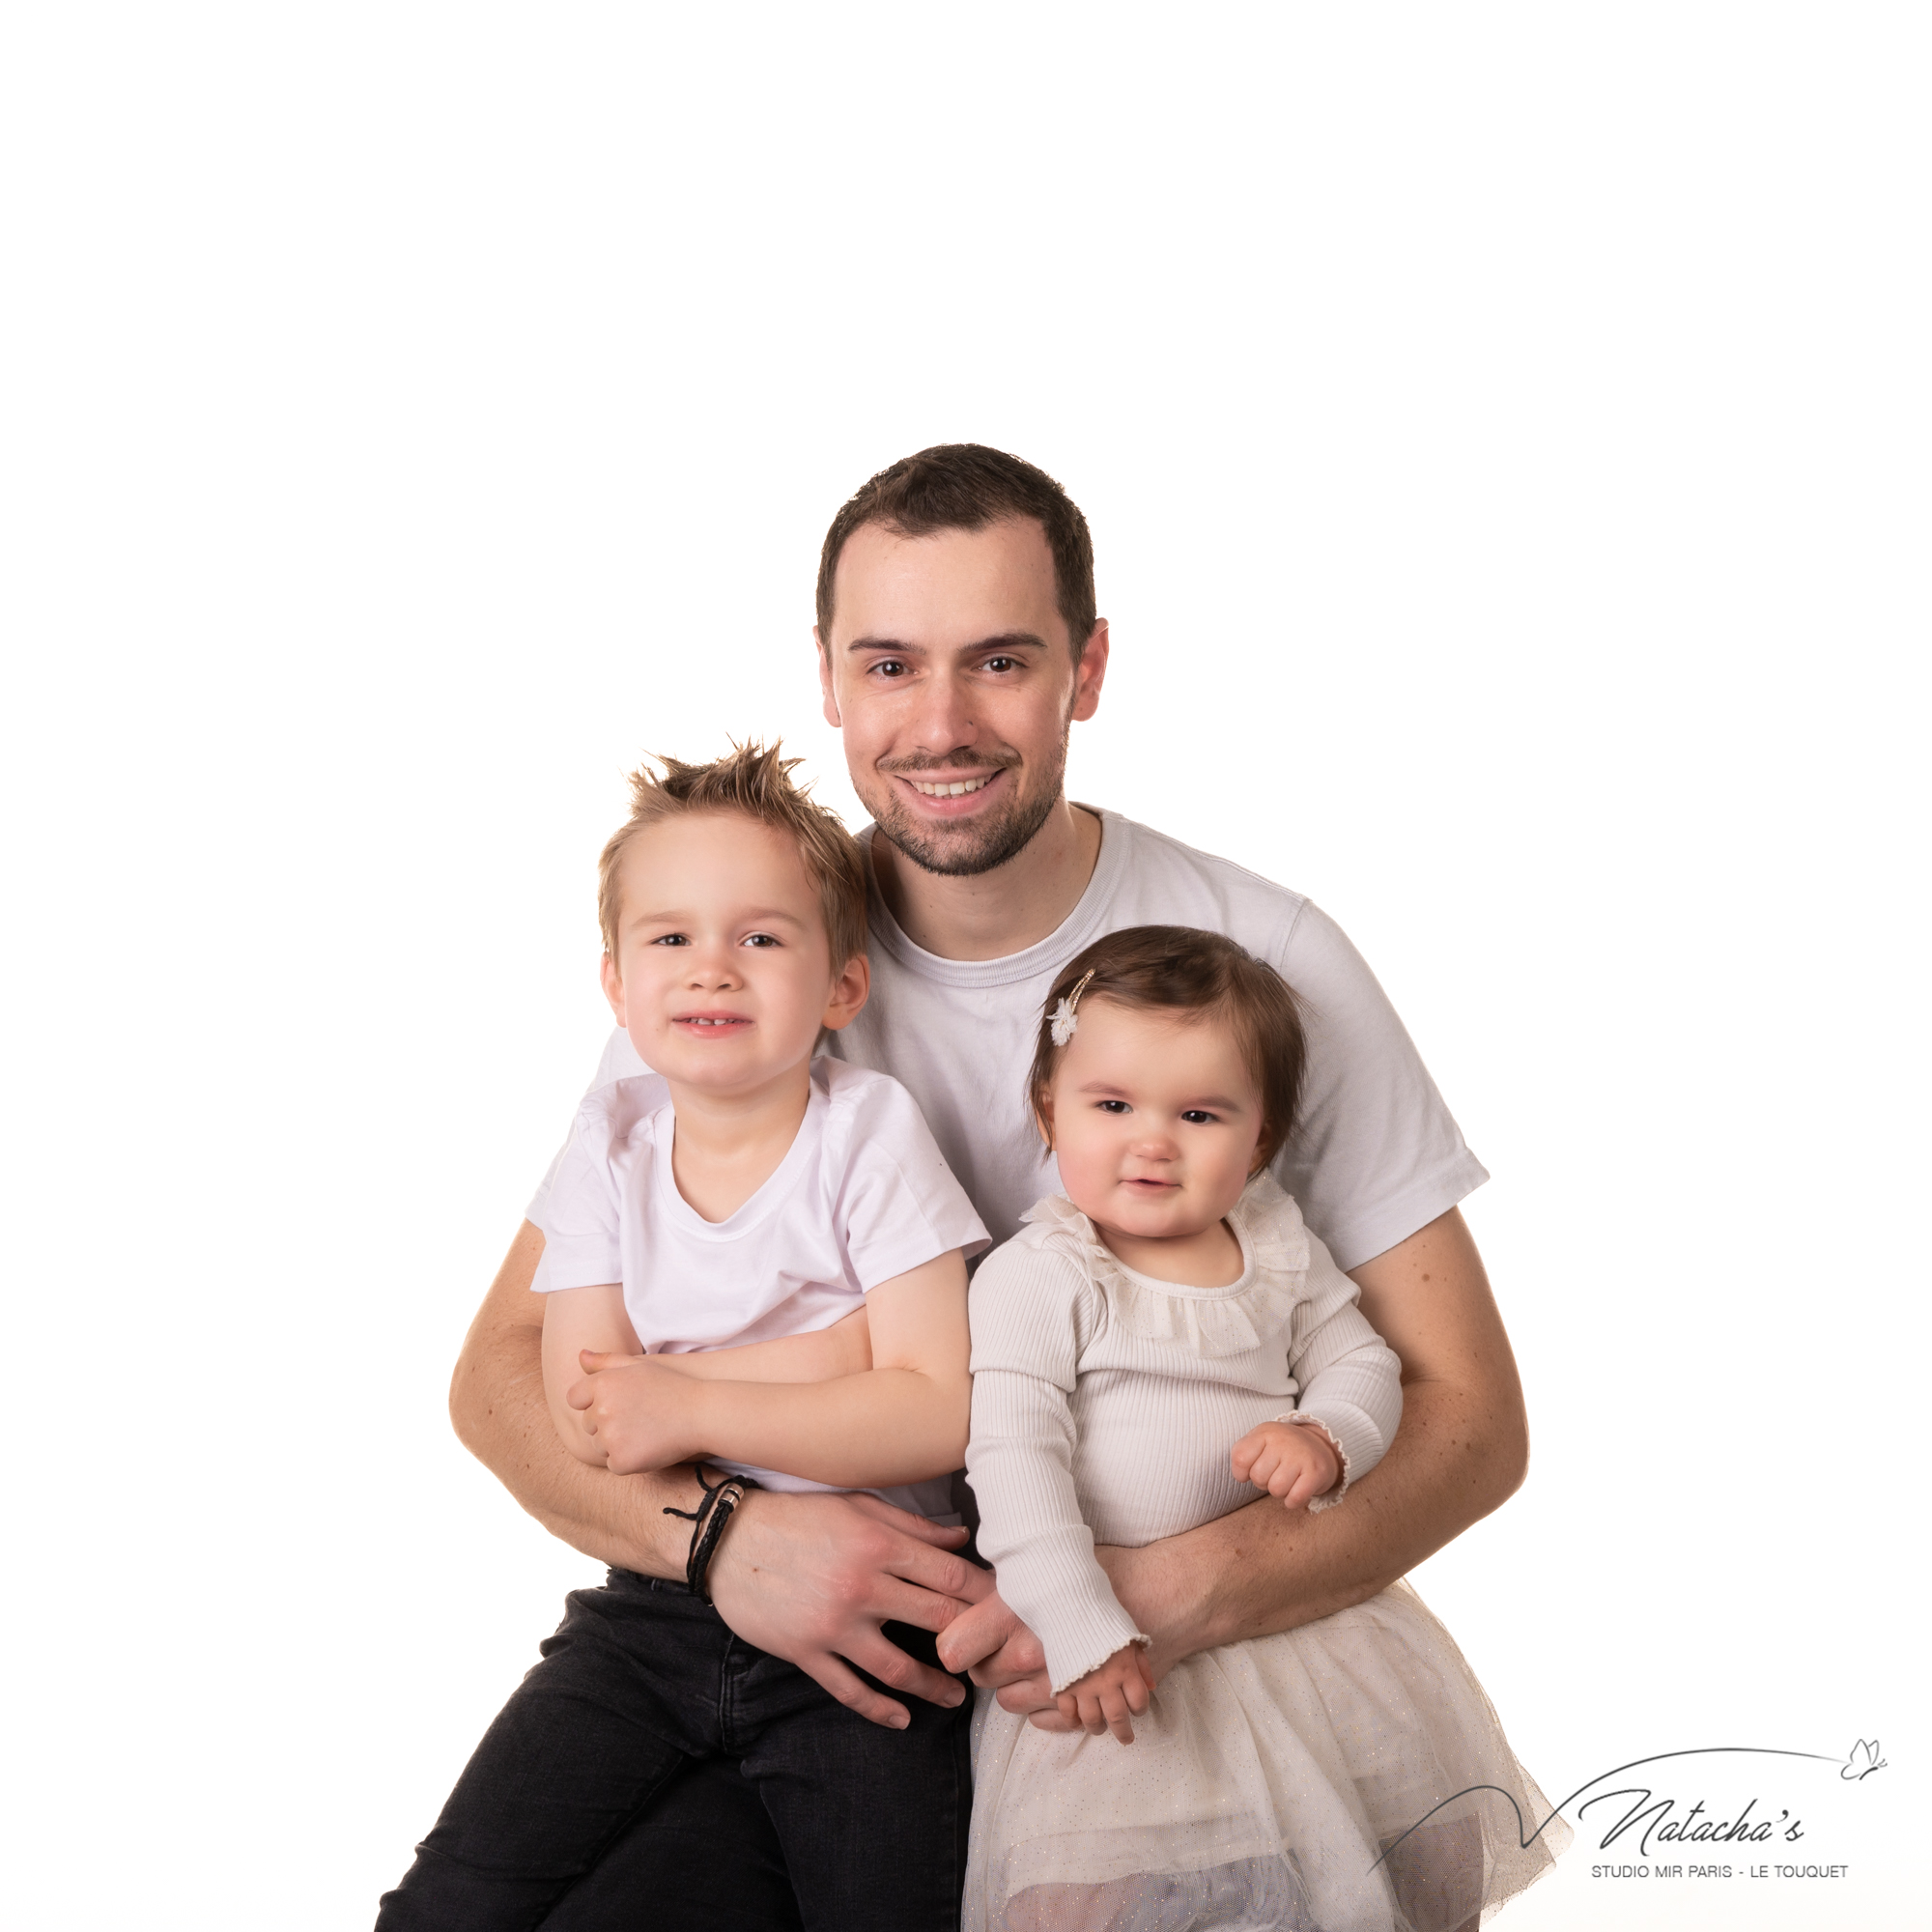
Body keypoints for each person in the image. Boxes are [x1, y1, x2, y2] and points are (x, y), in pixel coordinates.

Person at [445, 444, 1531, 1927]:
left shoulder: (1260, 955)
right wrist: (722, 1543)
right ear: (827, 678)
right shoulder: (751, 950)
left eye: (1001, 661)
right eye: (891, 664)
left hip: (1141, 1682)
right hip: (833, 1647)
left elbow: (1472, 1419)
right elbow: (509, 1378)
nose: (941, 723)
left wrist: (1150, 1596)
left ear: (1086, 670)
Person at [378, 746, 988, 1929]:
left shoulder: (867, 1132)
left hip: (878, 1620)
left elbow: (932, 1404)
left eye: (760, 938)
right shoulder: (609, 1139)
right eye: (670, 938)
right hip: (659, 1600)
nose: (712, 964)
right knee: (451, 1898)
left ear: (841, 987)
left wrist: (691, 1398)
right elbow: (592, 1413)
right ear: (613, 981)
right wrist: (831, 1354)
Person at [964, 926, 1566, 1932]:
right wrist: (1078, 1623)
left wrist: (1329, 1433)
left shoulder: (1275, 1244)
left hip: (1308, 1621)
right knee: (1091, 1897)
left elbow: (1363, 1361)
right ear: (1047, 1112)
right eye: (1109, 1104)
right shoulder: (1040, 1274)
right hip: (1108, 1649)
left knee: (1417, 1861)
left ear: (1260, 1139)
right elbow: (1013, 1460)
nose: (1149, 1139)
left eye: (1197, 1113)